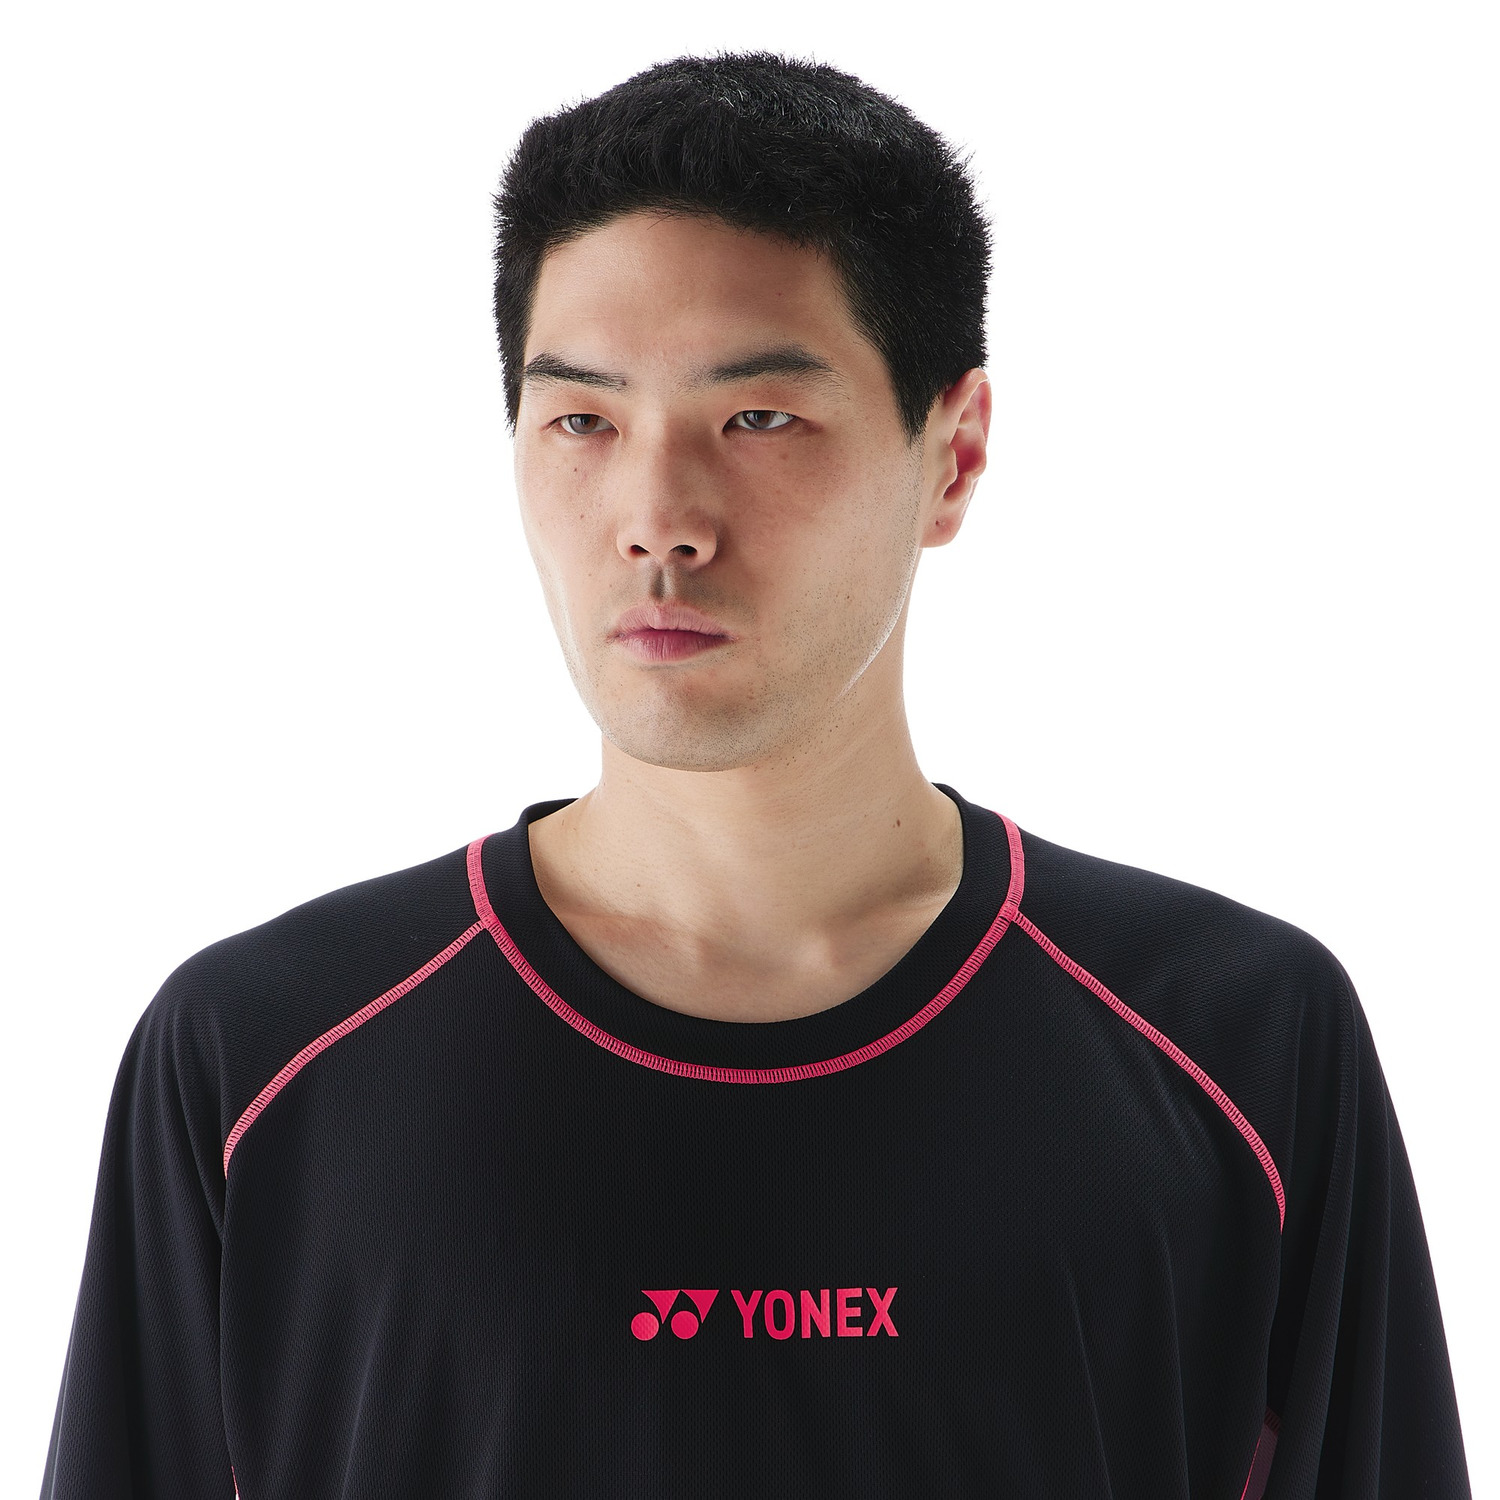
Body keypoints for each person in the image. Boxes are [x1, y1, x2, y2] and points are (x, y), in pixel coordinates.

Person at [39, 51, 1471, 1500]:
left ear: (955, 454)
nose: (657, 517)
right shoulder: (261, 1064)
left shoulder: (1238, 1049)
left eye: (759, 418)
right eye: (584, 420)